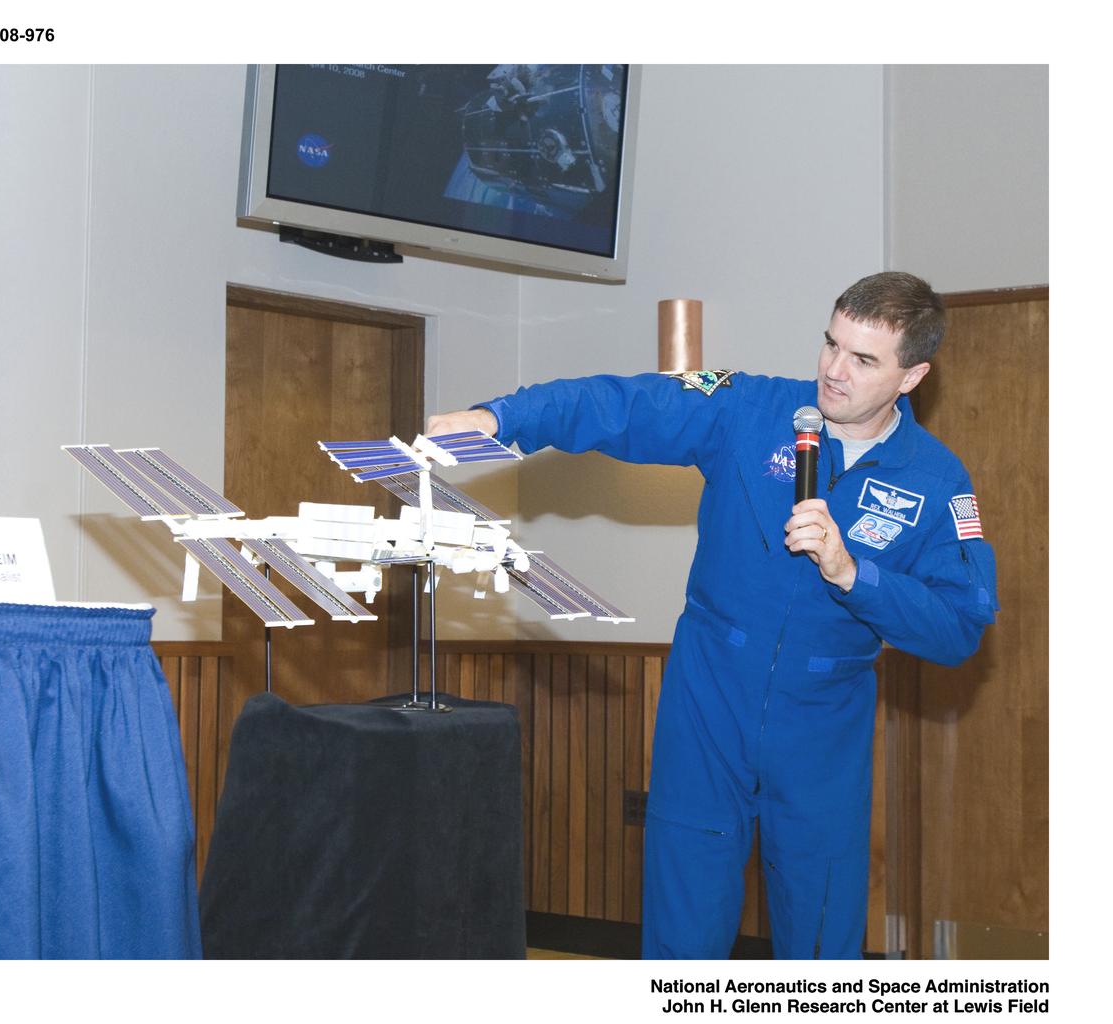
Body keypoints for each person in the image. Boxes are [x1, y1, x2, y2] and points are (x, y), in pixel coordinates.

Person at [425, 272, 998, 959]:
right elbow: (628, 403)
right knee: (684, 924)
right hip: (709, 695)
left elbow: (960, 626)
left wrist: (855, 574)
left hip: (823, 721)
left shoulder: (938, 480)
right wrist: (502, 418)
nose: (834, 372)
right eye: (830, 344)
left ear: (913, 376)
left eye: (864, 359)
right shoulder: (750, 410)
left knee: (821, 937)